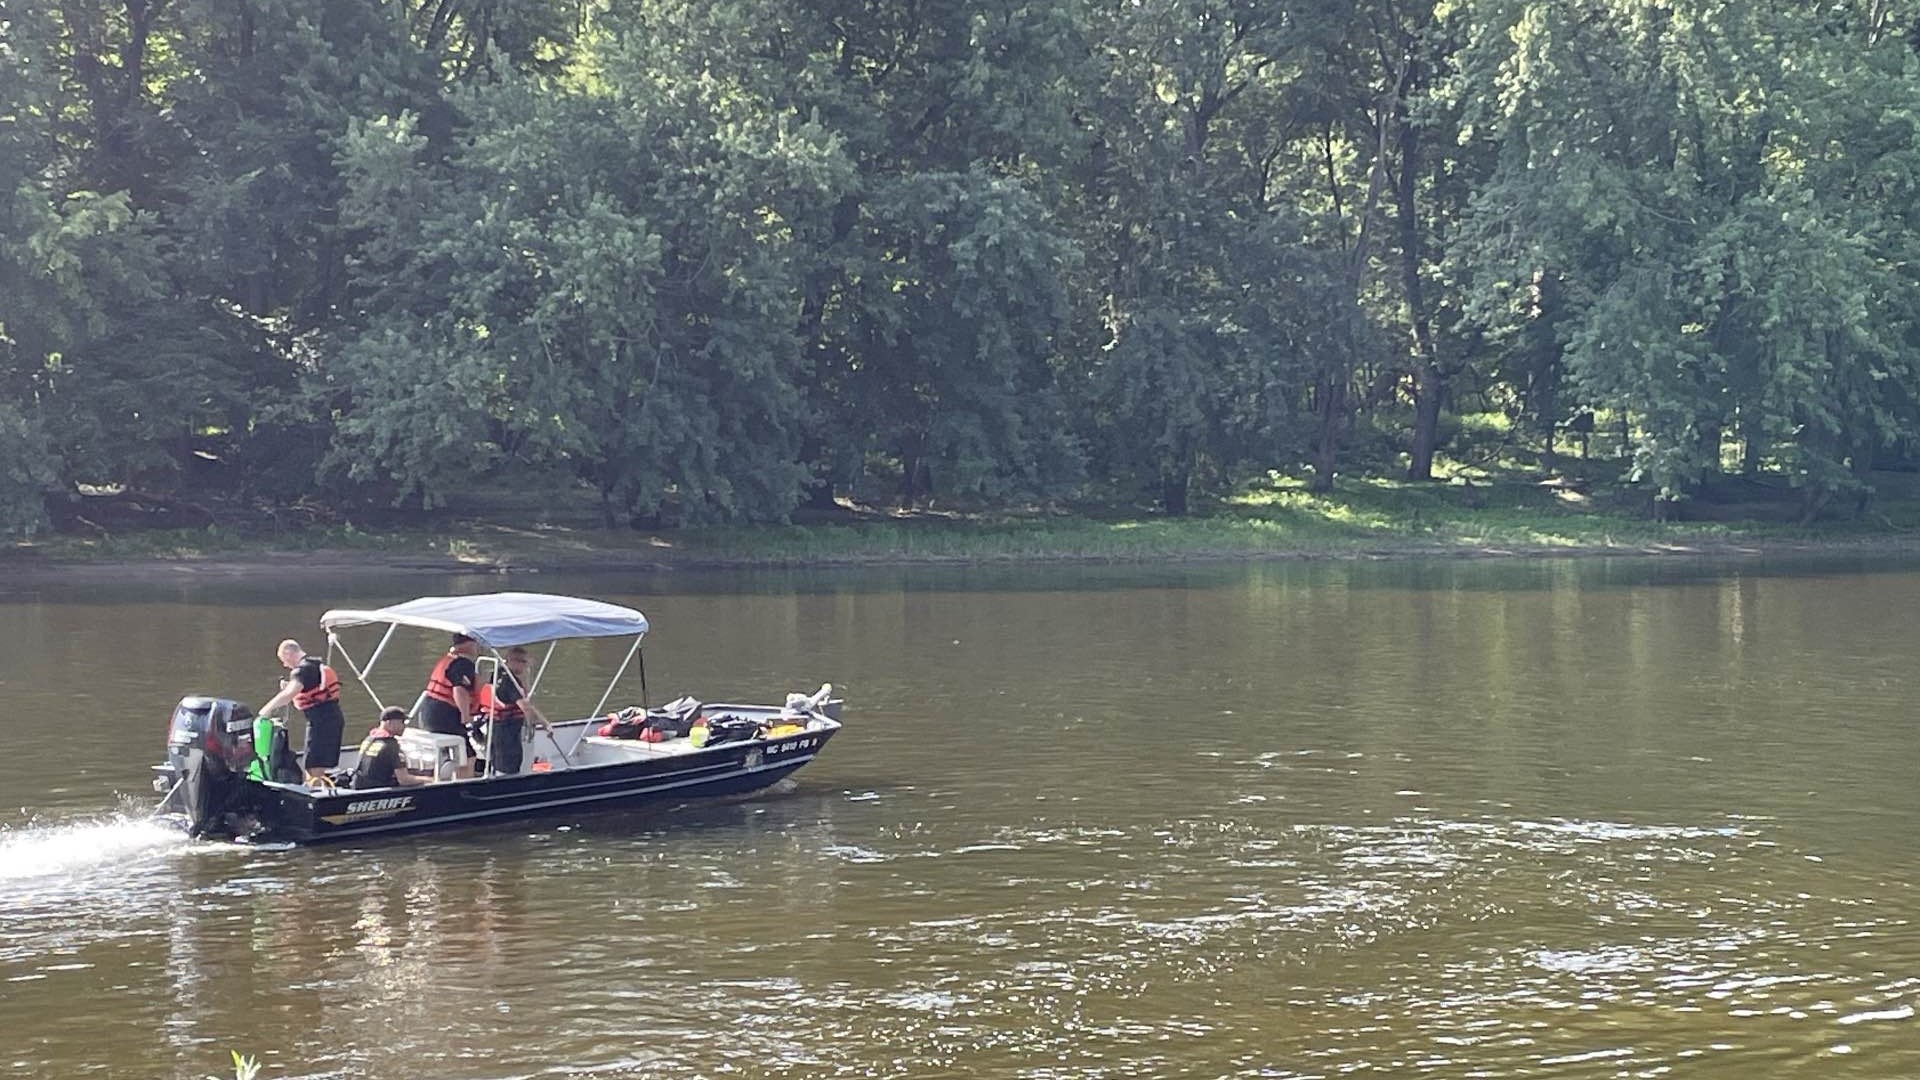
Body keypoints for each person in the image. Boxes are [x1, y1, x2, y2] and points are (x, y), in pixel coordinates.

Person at [257, 639, 347, 785]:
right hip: (328, 719)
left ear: (288, 653)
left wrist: (265, 711)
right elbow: (303, 690)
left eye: (283, 660)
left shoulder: (303, 669)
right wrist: (288, 687)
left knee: (313, 764)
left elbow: (289, 695)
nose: (285, 665)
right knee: (312, 761)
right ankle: (315, 788)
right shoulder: (313, 665)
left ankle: (315, 794)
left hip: (323, 721)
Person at [477, 646, 550, 777]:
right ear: (514, 661)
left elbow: (525, 702)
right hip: (507, 730)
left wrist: (544, 722)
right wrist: (533, 724)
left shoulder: (498, 672)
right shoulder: (511, 682)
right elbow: (525, 707)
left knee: (497, 762)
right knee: (509, 765)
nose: (525, 666)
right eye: (524, 662)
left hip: (494, 726)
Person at [418, 633, 480, 778]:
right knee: (468, 755)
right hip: (443, 715)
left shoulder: (447, 659)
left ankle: (447, 772)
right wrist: (466, 715)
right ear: (468, 644)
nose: (477, 647)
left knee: (453, 747)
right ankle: (464, 784)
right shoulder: (463, 663)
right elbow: (459, 689)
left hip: (428, 712)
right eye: (475, 643)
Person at [350, 707, 429, 789]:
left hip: (360, 785)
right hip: (377, 789)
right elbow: (404, 780)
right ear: (390, 723)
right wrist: (430, 780)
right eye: (402, 722)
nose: (404, 726)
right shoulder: (391, 745)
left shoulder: (369, 739)